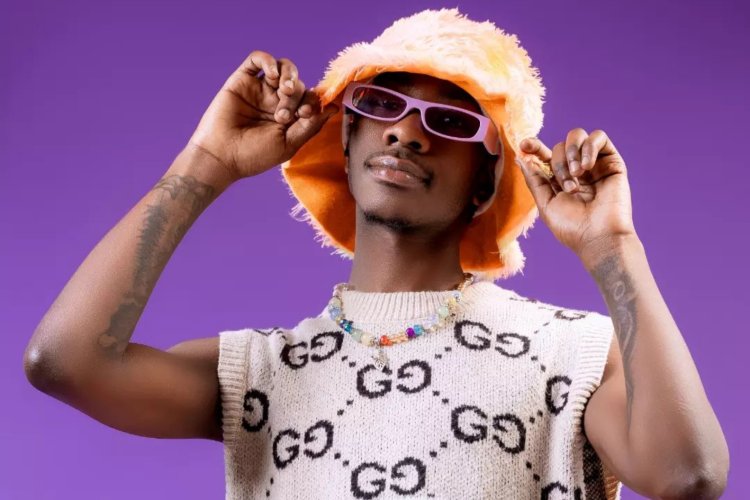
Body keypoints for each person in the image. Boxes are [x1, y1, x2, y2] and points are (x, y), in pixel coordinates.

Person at [24, 8, 728, 500]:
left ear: (487, 181)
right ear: (347, 137)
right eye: (384, 105)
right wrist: (204, 164)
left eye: (448, 121)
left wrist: (613, 248)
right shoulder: (261, 374)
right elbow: (64, 362)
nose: (407, 134)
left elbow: (686, 476)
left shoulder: (572, 354)